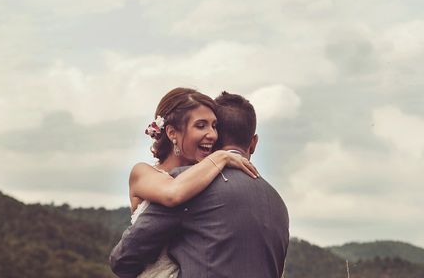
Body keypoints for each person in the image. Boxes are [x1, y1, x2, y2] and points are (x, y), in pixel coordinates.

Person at [110, 91, 289, 278]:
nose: (211, 134)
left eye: (214, 126)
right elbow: (173, 192)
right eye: (201, 126)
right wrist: (221, 156)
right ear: (171, 132)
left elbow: (124, 260)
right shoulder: (147, 173)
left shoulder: (204, 182)